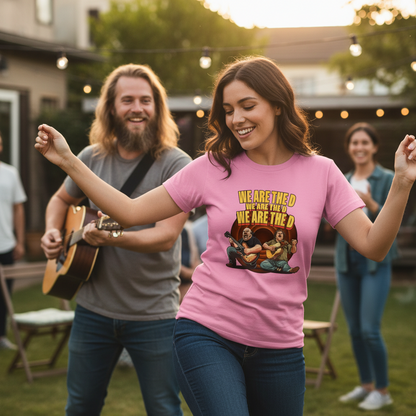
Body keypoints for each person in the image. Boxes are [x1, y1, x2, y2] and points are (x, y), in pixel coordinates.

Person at [35, 56, 416, 416]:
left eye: (248, 105)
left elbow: (373, 246)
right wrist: (69, 160)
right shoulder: (210, 168)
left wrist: (401, 183)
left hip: (281, 343)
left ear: (278, 105)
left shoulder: (323, 173)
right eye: (229, 110)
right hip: (206, 332)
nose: (236, 119)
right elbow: (131, 212)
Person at [39, 64, 191, 416]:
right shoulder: (91, 157)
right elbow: (60, 200)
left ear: (157, 108)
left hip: (154, 315)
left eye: (145, 100)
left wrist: (114, 240)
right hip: (93, 311)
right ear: (110, 108)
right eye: (127, 100)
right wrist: (52, 230)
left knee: (165, 409)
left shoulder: (176, 164)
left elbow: (165, 237)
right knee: (79, 407)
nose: (137, 108)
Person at [336, 123, 397, 410]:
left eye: (364, 143)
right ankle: (366, 386)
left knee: (370, 329)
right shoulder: (342, 179)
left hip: (375, 263)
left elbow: (393, 220)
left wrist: (371, 202)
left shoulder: (387, 177)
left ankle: (382, 391)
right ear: (349, 148)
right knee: (355, 331)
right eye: (354, 143)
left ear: (374, 147)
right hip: (346, 261)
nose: (359, 147)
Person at [0, 131, 26, 350]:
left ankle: (1, 337)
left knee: (4, 294)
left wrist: (20, 241)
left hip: (6, 244)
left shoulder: (10, 173)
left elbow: (18, 209)